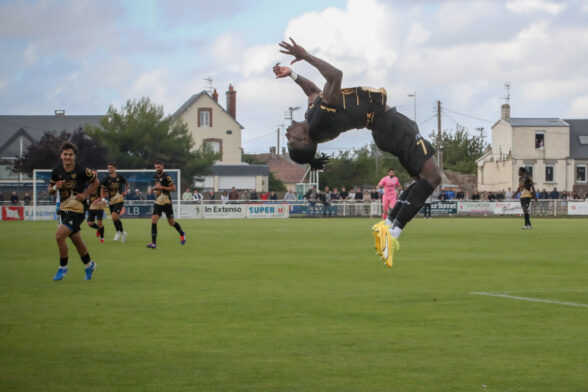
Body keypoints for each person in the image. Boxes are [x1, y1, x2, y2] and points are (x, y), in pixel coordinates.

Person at [274, 38, 440, 267]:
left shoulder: (313, 119)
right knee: (433, 177)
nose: (288, 134)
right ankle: (392, 234)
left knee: (421, 180)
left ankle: (388, 224)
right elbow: (335, 75)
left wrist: (292, 74)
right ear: (304, 140)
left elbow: (312, 90)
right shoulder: (321, 119)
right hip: (390, 125)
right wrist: (306, 56)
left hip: (386, 128)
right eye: (290, 139)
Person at [48, 142, 99, 281]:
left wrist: (85, 195)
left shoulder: (82, 170)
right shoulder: (57, 171)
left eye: (70, 154)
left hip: (78, 209)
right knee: (77, 241)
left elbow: (96, 182)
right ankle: (90, 265)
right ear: (61, 155)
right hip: (64, 209)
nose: (68, 157)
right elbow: (49, 190)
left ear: (74, 156)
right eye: (65, 154)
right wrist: (55, 188)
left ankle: (63, 268)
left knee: (59, 236)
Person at [146, 161, 186, 249]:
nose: (157, 169)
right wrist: (153, 189)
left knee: (171, 223)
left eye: (159, 167)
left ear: (162, 167)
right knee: (154, 220)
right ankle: (153, 243)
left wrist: (162, 187)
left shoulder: (167, 176)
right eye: (156, 167)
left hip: (167, 203)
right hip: (158, 202)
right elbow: (158, 187)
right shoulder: (156, 177)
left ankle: (182, 233)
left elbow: (173, 188)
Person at [101, 163, 128, 243]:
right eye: (109, 168)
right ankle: (122, 232)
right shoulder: (106, 179)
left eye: (111, 168)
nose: (110, 169)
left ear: (115, 168)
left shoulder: (120, 177)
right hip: (111, 200)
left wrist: (125, 191)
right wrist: (102, 198)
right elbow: (102, 189)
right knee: (114, 218)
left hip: (119, 199)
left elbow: (126, 183)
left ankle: (118, 232)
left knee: (114, 216)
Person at [87, 169, 106, 243]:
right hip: (91, 205)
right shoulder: (88, 183)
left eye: (96, 174)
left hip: (99, 205)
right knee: (90, 223)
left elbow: (105, 194)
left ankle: (102, 238)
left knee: (100, 222)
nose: (95, 176)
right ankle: (99, 229)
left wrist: (99, 199)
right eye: (93, 174)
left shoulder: (101, 183)